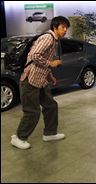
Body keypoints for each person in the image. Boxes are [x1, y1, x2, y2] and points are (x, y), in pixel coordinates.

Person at [10, 16, 70, 149]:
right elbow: (35, 55)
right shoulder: (48, 38)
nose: (65, 30)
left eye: (66, 27)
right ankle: (19, 137)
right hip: (30, 80)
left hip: (40, 80)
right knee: (32, 111)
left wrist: (50, 77)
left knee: (51, 106)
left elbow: (42, 61)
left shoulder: (54, 40)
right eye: (63, 27)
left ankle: (49, 133)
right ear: (55, 27)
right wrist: (52, 63)